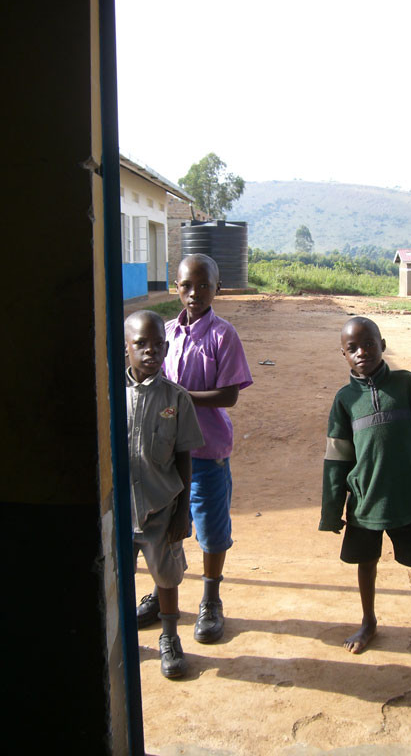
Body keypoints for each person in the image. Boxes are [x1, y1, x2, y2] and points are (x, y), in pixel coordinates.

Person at [319, 316, 411, 672]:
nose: (362, 353)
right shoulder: (344, 400)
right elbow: (337, 459)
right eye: (352, 348)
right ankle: (369, 621)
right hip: (365, 501)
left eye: (370, 345)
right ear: (343, 354)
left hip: (408, 496)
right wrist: (332, 511)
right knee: (366, 564)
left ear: (383, 344)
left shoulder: (407, 385)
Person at [136, 253, 253, 645]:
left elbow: (230, 395)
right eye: (186, 285)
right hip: (163, 453)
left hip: (206, 452)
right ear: (176, 287)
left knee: (210, 529)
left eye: (204, 285)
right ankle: (161, 591)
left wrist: (182, 397)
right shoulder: (165, 333)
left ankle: (210, 599)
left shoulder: (223, 336)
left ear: (217, 289)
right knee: (163, 526)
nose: (194, 293)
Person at [125, 310, 204, 678]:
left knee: (167, 576)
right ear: (126, 348)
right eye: (141, 344)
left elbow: (184, 457)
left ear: (167, 347)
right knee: (118, 577)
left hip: (161, 507)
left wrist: (181, 513)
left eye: (158, 344)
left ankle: (170, 638)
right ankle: (124, 637)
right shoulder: (112, 394)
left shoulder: (177, 399)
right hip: (122, 511)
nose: (150, 352)